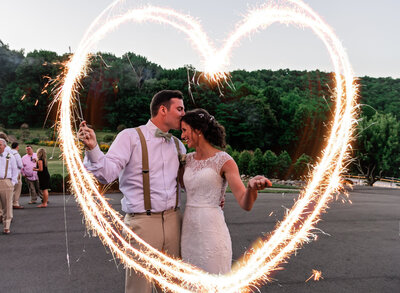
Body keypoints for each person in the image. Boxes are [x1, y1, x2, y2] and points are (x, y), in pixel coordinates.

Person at [79, 90, 186, 293]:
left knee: (173, 286)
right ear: (163, 110)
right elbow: (107, 174)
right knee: (139, 287)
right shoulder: (130, 137)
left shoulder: (178, 145)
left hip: (174, 221)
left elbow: (187, 182)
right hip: (142, 223)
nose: (183, 114)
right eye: (179, 109)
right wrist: (93, 148)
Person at [180, 108, 272, 274]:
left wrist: (251, 188)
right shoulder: (187, 160)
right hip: (188, 232)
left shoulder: (224, 161)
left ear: (198, 130)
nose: (182, 136)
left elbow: (245, 203)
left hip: (212, 231)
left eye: (184, 130)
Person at [0, 138, 18, 234]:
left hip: (6, 182)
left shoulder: (9, 156)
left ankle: (6, 226)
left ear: (4, 146)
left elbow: (15, 171)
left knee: (7, 205)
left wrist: (12, 183)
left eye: (0, 145)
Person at [11, 142, 24, 209]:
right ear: (17, 147)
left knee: (12, 189)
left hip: (10, 173)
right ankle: (15, 203)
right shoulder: (16, 154)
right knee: (17, 188)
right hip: (16, 173)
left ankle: (11, 202)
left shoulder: (9, 153)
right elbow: (20, 165)